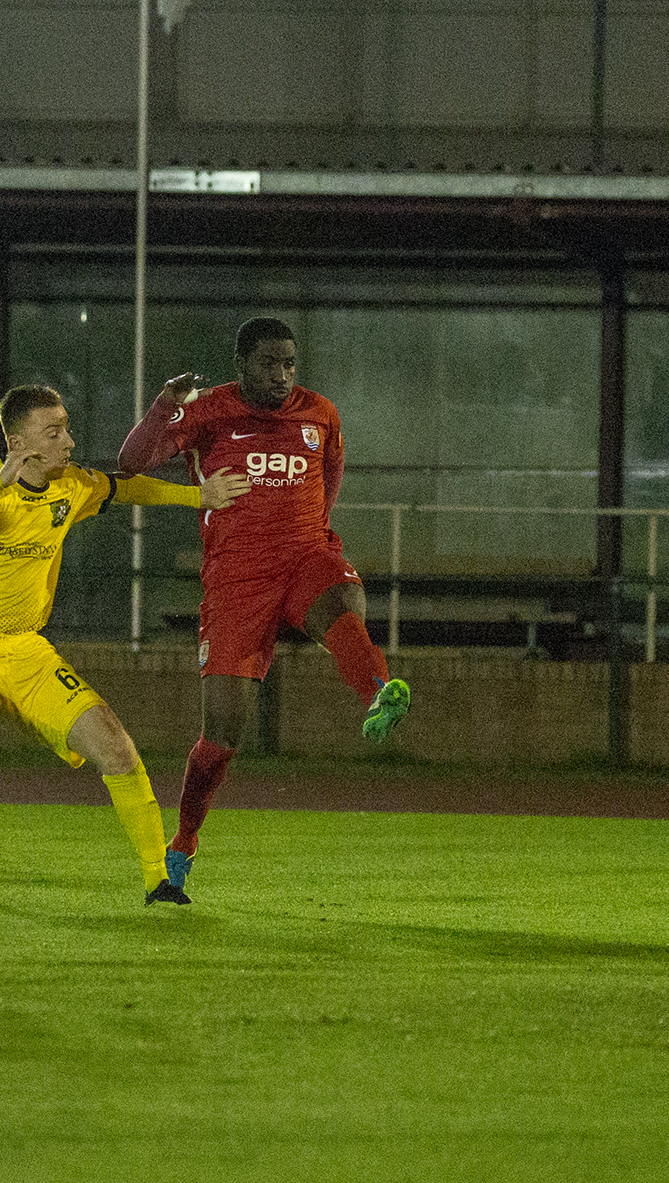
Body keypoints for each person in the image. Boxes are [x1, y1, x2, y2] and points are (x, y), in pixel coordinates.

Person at [0, 383, 247, 905]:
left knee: (114, 744)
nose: (69, 440)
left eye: (66, 427)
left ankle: (158, 880)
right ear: (18, 441)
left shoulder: (71, 485)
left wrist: (196, 496)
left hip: (27, 650)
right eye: (55, 432)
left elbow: (127, 487)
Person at [118, 316, 410, 895]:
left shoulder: (319, 413)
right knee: (223, 732)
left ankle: (377, 689)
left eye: (290, 364)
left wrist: (315, 532)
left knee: (343, 596)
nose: (282, 376)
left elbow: (331, 476)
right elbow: (132, 463)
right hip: (236, 580)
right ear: (242, 365)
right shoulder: (208, 412)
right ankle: (183, 843)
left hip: (303, 555)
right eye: (269, 364)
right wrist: (161, 408)